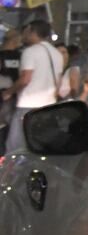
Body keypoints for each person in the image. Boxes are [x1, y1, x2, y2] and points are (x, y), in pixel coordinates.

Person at [3, 20, 66, 152]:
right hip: (48, 107)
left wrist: (8, 92)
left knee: (14, 146)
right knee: (38, 146)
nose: (23, 35)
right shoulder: (57, 54)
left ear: (32, 30)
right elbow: (58, 82)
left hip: (28, 106)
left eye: (26, 31)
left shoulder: (30, 52)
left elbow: (25, 79)